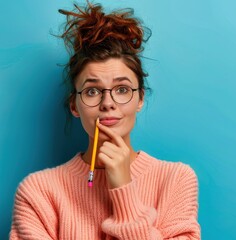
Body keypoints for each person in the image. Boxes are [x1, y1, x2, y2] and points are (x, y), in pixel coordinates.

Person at [10, 2, 200, 239]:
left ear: (139, 99)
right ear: (74, 106)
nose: (107, 103)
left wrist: (123, 187)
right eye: (92, 91)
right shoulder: (38, 191)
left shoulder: (176, 179)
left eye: (121, 89)